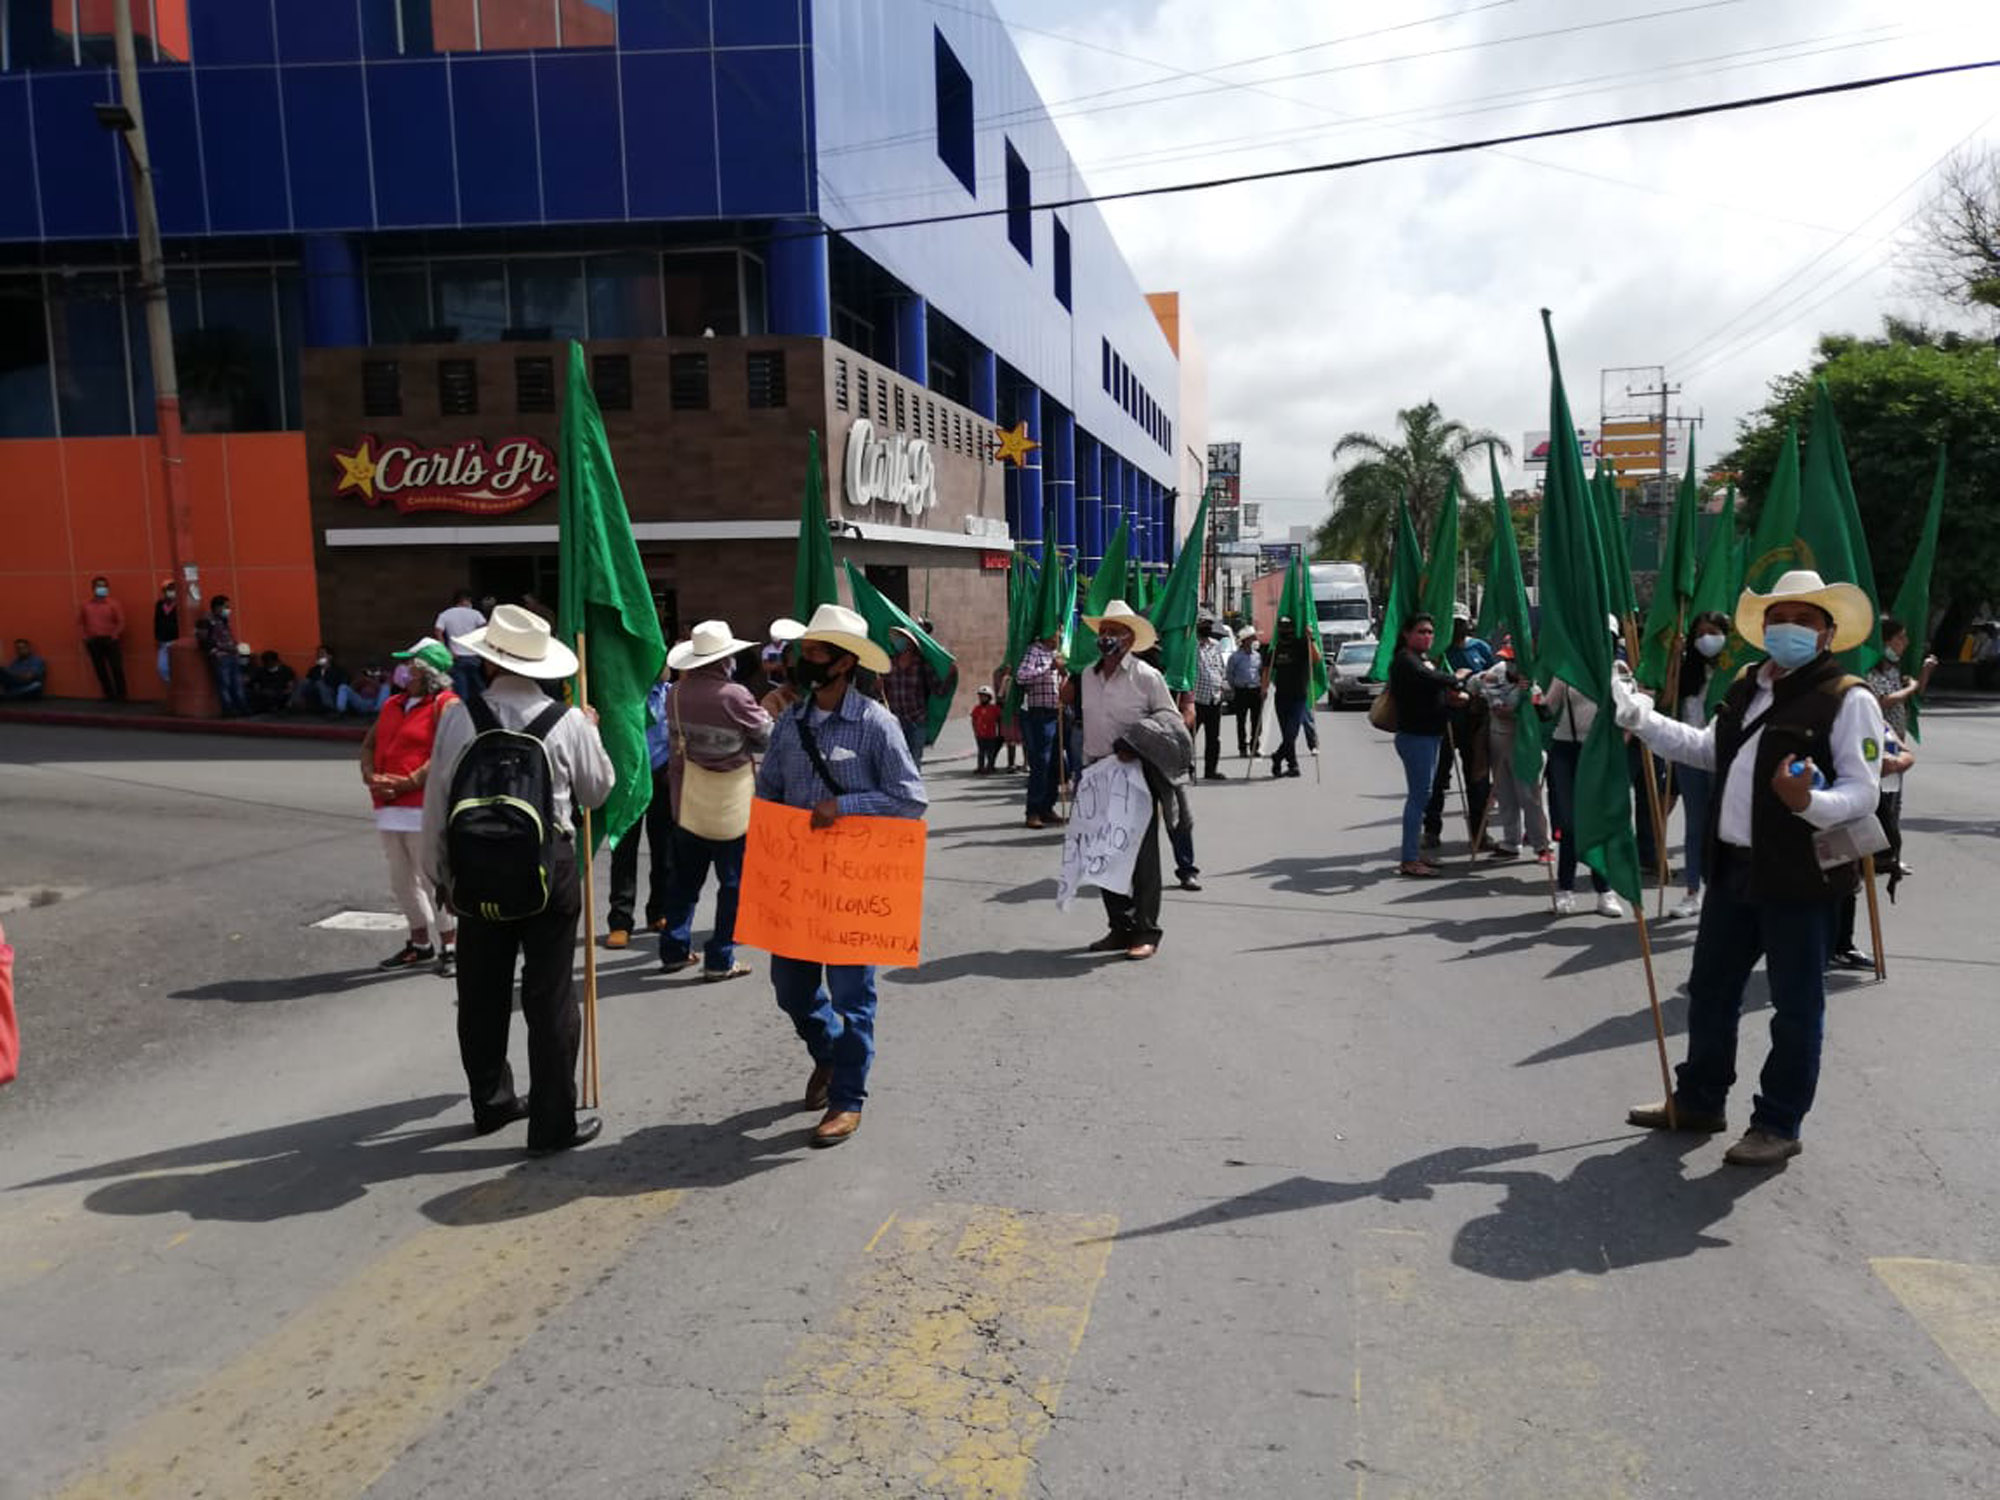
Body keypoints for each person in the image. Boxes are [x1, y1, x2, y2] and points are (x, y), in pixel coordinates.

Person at [1610, 570, 1887, 1168]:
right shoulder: (1744, 686)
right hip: (1732, 870)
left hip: (1799, 879)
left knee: (1794, 1006)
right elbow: (1709, 751)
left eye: (1805, 620)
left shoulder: (1848, 698)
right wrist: (1639, 719)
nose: (1789, 628)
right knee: (1710, 991)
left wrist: (1808, 803)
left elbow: (1862, 793)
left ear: (1829, 633)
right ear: (1763, 627)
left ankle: (1777, 1123)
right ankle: (1700, 1100)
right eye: (1780, 618)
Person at [422, 604, 614, 1156]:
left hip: (475, 872)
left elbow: (438, 799)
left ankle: (491, 1101)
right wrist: (592, 733)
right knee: (549, 996)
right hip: (546, 871)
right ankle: (552, 1123)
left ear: (488, 663)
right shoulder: (567, 720)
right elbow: (597, 791)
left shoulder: (460, 715)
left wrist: (439, 873)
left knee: (480, 992)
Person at [755, 603, 926, 1147]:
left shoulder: (877, 724)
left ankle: (848, 1098)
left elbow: (910, 799)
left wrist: (845, 805)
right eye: (804, 652)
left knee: (854, 995)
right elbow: (771, 793)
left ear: (845, 663)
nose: (804, 662)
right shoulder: (790, 722)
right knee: (791, 988)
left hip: (856, 886)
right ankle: (828, 1053)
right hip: (797, 882)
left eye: (817, 653)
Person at [657, 620, 772, 982]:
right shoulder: (733, 695)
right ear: (725, 659)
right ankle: (720, 957)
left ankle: (674, 948)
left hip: (687, 798)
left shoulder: (676, 692)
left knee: (684, 881)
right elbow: (765, 736)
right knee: (733, 883)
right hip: (731, 802)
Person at [1079, 601, 1181, 958]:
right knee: (1105, 855)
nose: (1106, 637)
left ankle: (1146, 931)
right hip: (1097, 772)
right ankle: (1119, 927)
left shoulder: (1146, 676)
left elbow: (1170, 720)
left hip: (1134, 774)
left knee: (1141, 855)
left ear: (1129, 638)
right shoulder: (1087, 676)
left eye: (1114, 632)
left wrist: (1137, 741)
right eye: (1103, 631)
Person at [362, 639, 460, 976]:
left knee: (434, 880)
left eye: (412, 666)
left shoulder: (446, 705)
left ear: (429, 673)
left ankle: (450, 945)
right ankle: (419, 943)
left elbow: (445, 752)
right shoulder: (393, 703)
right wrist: (369, 773)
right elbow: (371, 742)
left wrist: (407, 782)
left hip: (424, 807)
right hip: (389, 807)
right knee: (401, 880)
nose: (404, 672)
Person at [1388, 613, 1466, 878]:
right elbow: (1429, 679)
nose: (1427, 636)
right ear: (1407, 635)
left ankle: (1413, 854)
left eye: (1430, 632)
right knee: (1419, 797)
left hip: (1431, 735)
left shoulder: (1422, 661)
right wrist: (1456, 677)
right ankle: (1409, 860)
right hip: (1416, 737)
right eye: (1421, 632)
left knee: (1424, 795)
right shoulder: (1405, 661)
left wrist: (1452, 698)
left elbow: (1431, 689)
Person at [1665, 612, 1732, 920]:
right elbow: (1667, 701)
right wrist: (1674, 663)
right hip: (1690, 756)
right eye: (1701, 632)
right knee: (1695, 826)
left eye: (1714, 631)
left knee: (1724, 826)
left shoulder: (1734, 671)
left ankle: (1724, 891)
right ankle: (1693, 891)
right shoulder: (1687, 670)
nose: (1707, 637)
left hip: (1726, 758)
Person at [1542, 675, 1624, 917]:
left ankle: (1605, 892)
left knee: (1598, 823)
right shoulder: (1565, 672)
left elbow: (1627, 715)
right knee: (1569, 823)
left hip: (1600, 750)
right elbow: (1547, 712)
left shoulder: (1615, 672)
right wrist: (1533, 696)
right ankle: (1565, 891)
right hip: (1566, 748)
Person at [606, 667, 675, 950]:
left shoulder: (673, 696)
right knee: (623, 852)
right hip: (629, 779)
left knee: (664, 851)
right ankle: (620, 921)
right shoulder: (622, 696)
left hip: (662, 775)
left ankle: (658, 910)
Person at [1478, 649, 1550, 861]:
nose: (1510, 664)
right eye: (1508, 659)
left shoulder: (1536, 677)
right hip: (1500, 738)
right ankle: (1511, 842)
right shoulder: (1496, 673)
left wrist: (1530, 696)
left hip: (1527, 741)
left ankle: (1542, 845)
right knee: (1505, 794)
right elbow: (1499, 708)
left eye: (1514, 660)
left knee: (1531, 795)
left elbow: (1545, 711)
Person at [1015, 628, 1066, 829]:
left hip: (1058, 713)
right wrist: (1048, 668)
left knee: (1056, 763)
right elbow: (1021, 677)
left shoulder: (1059, 652)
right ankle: (1033, 810)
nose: (1059, 636)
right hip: (1040, 714)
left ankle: (1047, 806)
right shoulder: (1035, 651)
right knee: (1041, 763)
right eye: (1056, 632)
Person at [882, 626, 945, 767]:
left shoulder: (922, 665)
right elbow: (881, 691)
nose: (898, 642)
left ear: (910, 642)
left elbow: (938, 690)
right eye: (896, 639)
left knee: (914, 761)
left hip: (917, 721)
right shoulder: (889, 664)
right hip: (896, 721)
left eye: (901, 639)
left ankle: (913, 789)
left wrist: (950, 675)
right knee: (898, 760)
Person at [1261, 616, 1315, 778]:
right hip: (1281, 697)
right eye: (1282, 628)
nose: (1286, 631)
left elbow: (1316, 659)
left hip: (1298, 697)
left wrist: (1310, 638)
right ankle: (1293, 765)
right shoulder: (1276, 649)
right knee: (1287, 734)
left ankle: (1277, 756)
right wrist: (1263, 688)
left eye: (1288, 628)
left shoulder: (1301, 645)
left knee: (1292, 733)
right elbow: (1266, 669)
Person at [1191, 619, 1231, 780]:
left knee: (1213, 738)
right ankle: (1187, 768)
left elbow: (1220, 667)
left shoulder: (1214, 645)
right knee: (1189, 737)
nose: (1206, 628)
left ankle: (1211, 770)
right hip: (1197, 699)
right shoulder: (1191, 647)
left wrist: (1221, 684)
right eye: (1203, 626)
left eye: (1208, 625)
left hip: (1214, 699)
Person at [77, 576, 127, 701]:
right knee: (100, 669)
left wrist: (114, 635)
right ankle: (108, 694)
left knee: (116, 668)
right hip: (93, 641)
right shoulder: (85, 605)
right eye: (99, 586)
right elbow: (80, 622)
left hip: (110, 640)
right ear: (93, 588)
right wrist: (85, 637)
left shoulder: (113, 604)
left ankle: (122, 695)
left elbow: (121, 621)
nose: (102, 588)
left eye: (104, 586)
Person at [435, 589, 488, 702]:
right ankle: (485, 710)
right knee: (479, 689)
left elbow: (438, 631)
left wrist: (446, 650)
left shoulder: (445, 614)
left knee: (460, 690)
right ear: (467, 600)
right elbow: (486, 629)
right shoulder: (476, 614)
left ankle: (463, 713)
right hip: (474, 655)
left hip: (456, 655)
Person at [197, 596, 246, 715]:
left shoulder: (223, 619)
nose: (228, 610)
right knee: (224, 684)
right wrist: (217, 650)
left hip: (232, 655)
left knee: (237, 683)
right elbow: (203, 639)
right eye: (226, 607)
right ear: (217, 607)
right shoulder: (207, 620)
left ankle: (242, 708)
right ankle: (228, 709)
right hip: (221, 657)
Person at [1227, 626, 1264, 756]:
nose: (1253, 640)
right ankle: (1242, 748)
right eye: (1251, 638)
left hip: (1255, 690)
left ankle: (1255, 746)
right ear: (1245, 641)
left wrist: (1262, 689)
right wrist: (1234, 688)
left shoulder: (1257, 656)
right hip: (1241, 691)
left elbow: (1260, 672)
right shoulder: (1235, 657)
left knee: (1257, 721)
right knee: (1241, 721)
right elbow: (1230, 674)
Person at [246, 650, 297, 715]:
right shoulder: (261, 671)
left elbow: (290, 685)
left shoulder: (285, 670)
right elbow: (253, 682)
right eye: (265, 662)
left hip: (280, 693)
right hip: (264, 693)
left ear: (275, 661)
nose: (266, 664)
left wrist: (286, 692)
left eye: (268, 662)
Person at [971, 685, 1004, 773]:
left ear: (989, 697)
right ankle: (980, 767)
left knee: (990, 753)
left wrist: (1000, 732)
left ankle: (990, 766)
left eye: (984, 696)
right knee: (981, 752)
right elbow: (974, 720)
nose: (982, 698)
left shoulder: (994, 708)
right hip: (980, 734)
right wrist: (975, 731)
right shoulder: (977, 708)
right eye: (981, 696)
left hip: (991, 734)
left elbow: (1000, 719)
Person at [151, 580, 178, 684]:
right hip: (164, 641)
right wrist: (157, 637)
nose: (171, 592)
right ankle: (170, 684)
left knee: (179, 667)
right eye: (169, 589)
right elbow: (157, 621)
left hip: (176, 640)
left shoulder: (180, 604)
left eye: (173, 589)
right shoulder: (160, 604)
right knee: (162, 668)